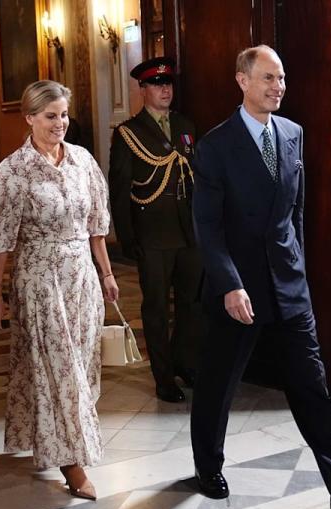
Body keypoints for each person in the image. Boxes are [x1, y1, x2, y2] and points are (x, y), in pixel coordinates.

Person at [188, 45, 331, 509]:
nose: (277, 87)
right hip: (236, 290)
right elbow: (207, 227)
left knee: (312, 387)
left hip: (288, 286)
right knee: (219, 385)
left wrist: (297, 267)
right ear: (242, 80)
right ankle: (207, 467)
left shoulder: (294, 134)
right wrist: (230, 285)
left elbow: (295, 213)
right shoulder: (215, 146)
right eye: (267, 78)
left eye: (281, 78)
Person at [0, 80, 118, 501]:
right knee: (57, 370)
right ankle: (72, 466)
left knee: (79, 367)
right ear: (29, 118)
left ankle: (52, 436)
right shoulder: (14, 170)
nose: (60, 123)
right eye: (50, 116)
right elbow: (1, 237)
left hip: (82, 279)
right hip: (39, 281)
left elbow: (97, 225)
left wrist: (107, 274)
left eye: (63, 115)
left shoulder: (82, 161)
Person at [108, 56, 202, 403]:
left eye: (168, 84)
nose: (165, 89)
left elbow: (196, 179)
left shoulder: (184, 125)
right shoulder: (129, 133)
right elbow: (119, 189)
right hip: (153, 233)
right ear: (143, 89)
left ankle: (184, 362)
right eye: (157, 85)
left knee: (192, 304)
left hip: (189, 232)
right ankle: (163, 377)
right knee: (157, 308)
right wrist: (128, 238)